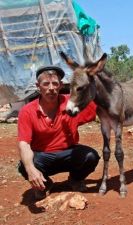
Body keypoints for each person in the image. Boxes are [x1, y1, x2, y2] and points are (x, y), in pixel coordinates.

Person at [17, 65, 100, 200]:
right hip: (42, 156)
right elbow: (24, 143)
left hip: (69, 153)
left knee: (91, 157)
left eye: (55, 83)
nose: (51, 88)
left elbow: (98, 101)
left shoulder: (72, 102)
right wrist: (30, 168)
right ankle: (45, 184)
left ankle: (75, 179)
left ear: (61, 85)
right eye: (46, 84)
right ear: (38, 86)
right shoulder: (27, 111)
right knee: (24, 166)